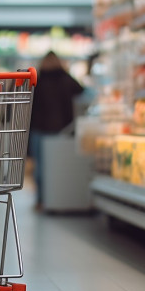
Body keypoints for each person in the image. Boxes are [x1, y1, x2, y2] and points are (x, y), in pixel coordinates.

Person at [29, 51, 84, 210]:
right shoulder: (66, 79)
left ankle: (40, 200)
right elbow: (81, 91)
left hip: (39, 129)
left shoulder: (37, 80)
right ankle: (56, 198)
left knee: (39, 167)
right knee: (57, 167)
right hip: (61, 130)